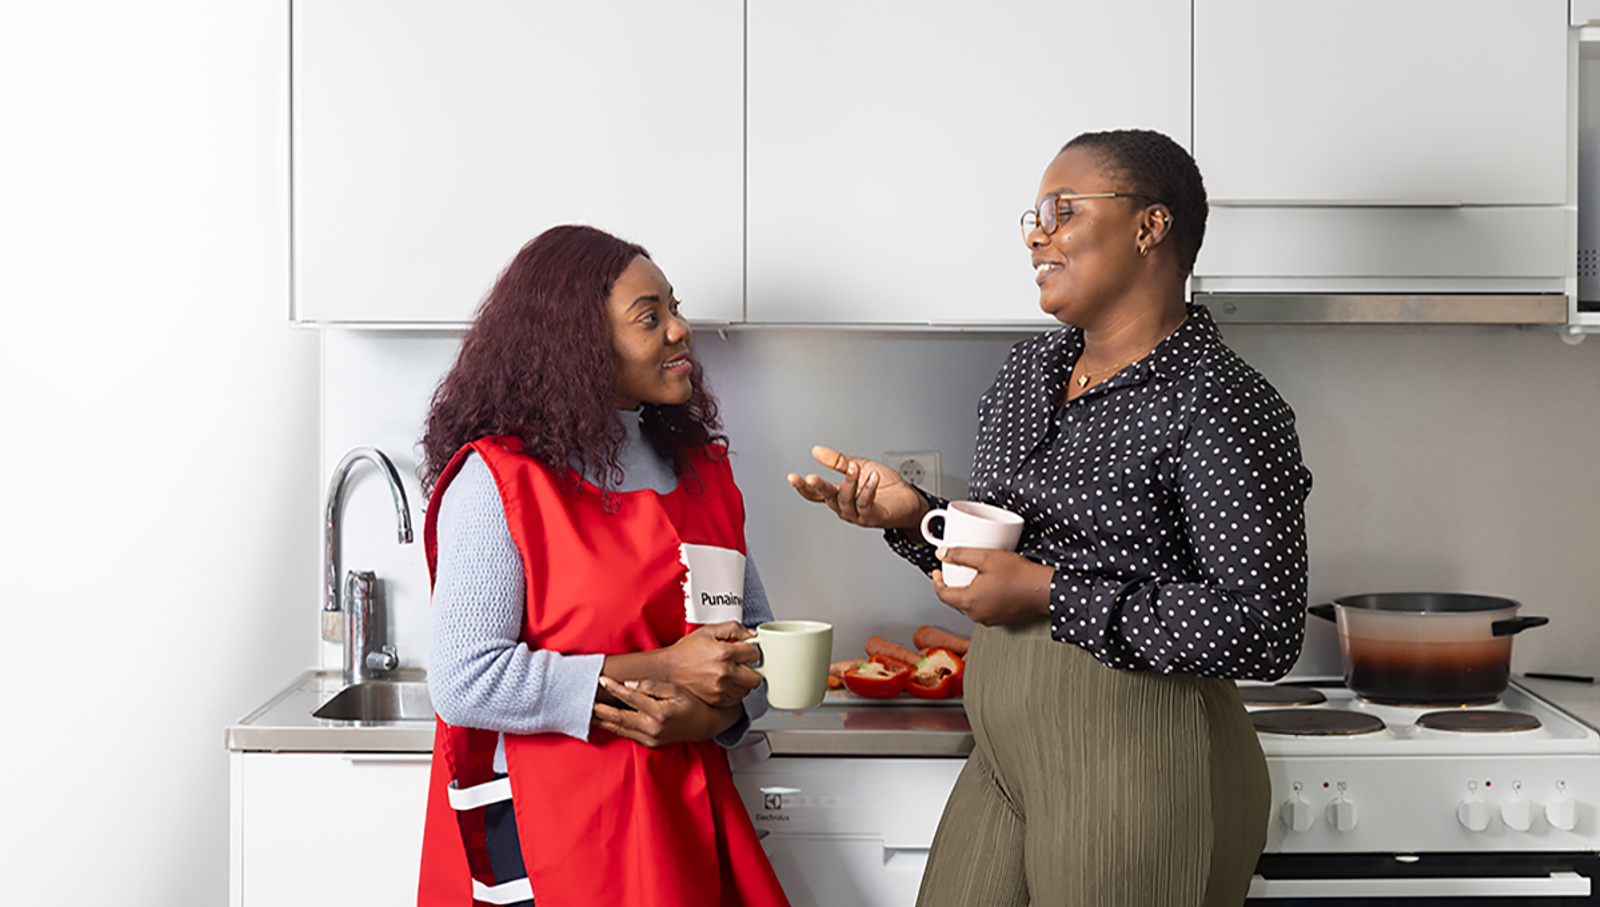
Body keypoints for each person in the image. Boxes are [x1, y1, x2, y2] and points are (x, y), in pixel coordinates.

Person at [788, 129, 1312, 906]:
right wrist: (913, 518)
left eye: (1062, 210)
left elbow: (1263, 626)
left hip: (1143, 758)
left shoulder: (1221, 400)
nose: (1037, 231)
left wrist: (1046, 592)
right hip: (1006, 751)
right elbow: (1007, 555)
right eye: (1033, 214)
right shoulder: (1026, 373)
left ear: (1149, 227)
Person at [415, 224, 790, 906]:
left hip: (689, 821)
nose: (680, 330)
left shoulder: (698, 473)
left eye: (673, 308)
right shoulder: (498, 481)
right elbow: (465, 679)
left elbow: (754, 650)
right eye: (651, 318)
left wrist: (705, 719)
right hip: (557, 835)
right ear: (579, 344)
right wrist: (666, 668)